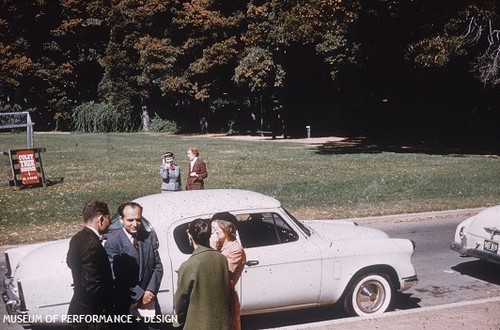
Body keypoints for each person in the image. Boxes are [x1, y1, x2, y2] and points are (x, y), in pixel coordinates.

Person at [105, 202, 163, 323]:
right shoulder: (113, 242)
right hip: (126, 305)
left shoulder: (148, 237)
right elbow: (115, 275)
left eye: (138, 220)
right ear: (121, 220)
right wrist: (140, 295)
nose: (135, 224)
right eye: (130, 220)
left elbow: (157, 266)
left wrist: (150, 291)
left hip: (149, 304)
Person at [173, 219, 231, 330]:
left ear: (190, 236)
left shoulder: (189, 265)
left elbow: (180, 301)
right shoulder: (221, 258)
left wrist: (178, 321)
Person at [66, 201, 114, 330]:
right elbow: (91, 284)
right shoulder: (93, 243)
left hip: (78, 309)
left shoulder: (77, 238)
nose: (109, 222)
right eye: (109, 218)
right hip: (92, 316)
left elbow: (70, 262)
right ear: (101, 219)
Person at [211, 219, 246, 330]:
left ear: (225, 231)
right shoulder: (221, 247)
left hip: (226, 297)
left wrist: (212, 250)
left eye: (216, 230)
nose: (213, 233)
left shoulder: (235, 249)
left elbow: (223, 273)